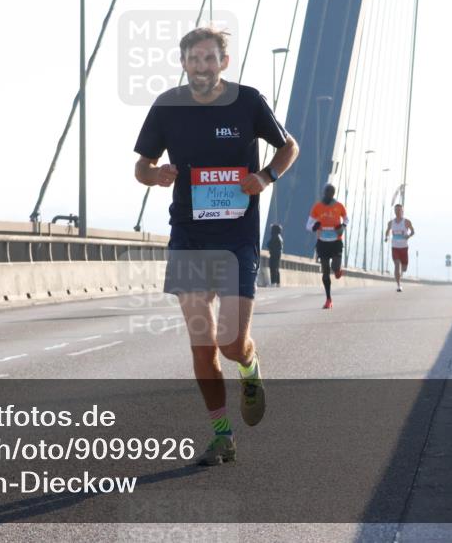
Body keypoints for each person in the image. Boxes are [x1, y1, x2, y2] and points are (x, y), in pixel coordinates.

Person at [133, 27, 299, 466]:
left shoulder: (248, 101)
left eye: (210, 59)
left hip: (237, 238)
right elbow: (141, 167)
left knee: (230, 343)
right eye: (194, 59)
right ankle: (222, 435)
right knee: (202, 344)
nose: (202, 67)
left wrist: (265, 177)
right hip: (187, 236)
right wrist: (156, 174)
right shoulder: (167, 106)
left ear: (224, 62)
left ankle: (250, 367)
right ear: (183, 63)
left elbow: (289, 147)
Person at [307, 184, 348, 309]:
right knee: (325, 271)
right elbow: (308, 225)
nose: (328, 194)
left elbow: (346, 219)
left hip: (336, 241)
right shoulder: (317, 207)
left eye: (330, 192)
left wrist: (342, 227)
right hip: (322, 242)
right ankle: (328, 299)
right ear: (324, 192)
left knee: (334, 266)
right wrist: (315, 226)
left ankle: (337, 270)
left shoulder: (339, 206)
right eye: (326, 192)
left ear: (333, 194)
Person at [384, 204, 415, 292]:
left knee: (404, 268)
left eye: (399, 210)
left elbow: (413, 231)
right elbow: (387, 231)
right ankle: (398, 285)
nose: (397, 212)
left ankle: (401, 273)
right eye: (396, 210)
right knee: (397, 264)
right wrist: (386, 237)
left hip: (404, 248)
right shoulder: (391, 223)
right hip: (395, 248)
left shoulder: (406, 222)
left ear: (402, 211)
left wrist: (408, 236)